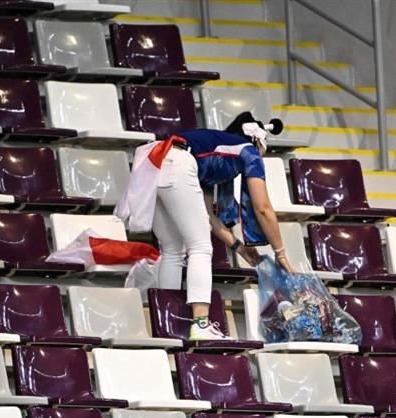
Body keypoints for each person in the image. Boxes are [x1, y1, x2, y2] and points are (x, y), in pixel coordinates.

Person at [117, 112, 293, 341]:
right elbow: (263, 208)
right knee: (200, 247)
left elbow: (208, 216)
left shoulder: (215, 149)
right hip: (177, 161)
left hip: (154, 160)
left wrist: (239, 247)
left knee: (172, 248)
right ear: (259, 139)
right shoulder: (248, 151)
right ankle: (200, 323)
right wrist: (281, 254)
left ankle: (168, 321)